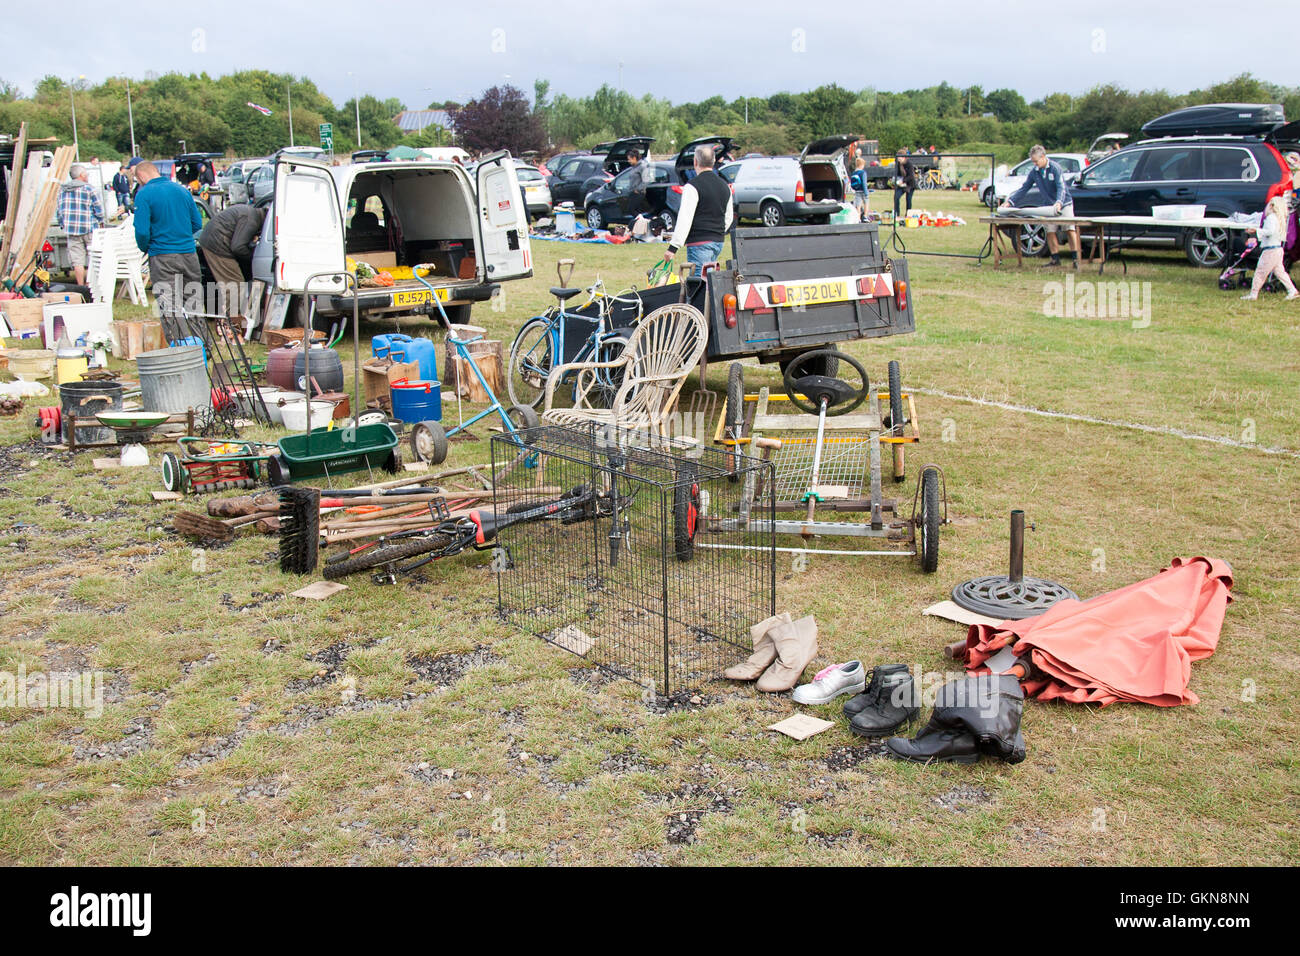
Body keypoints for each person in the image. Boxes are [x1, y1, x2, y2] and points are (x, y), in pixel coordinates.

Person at [133, 160, 203, 317]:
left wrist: (146, 247)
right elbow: (197, 223)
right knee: (193, 303)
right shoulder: (182, 190)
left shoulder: (144, 194)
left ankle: (179, 340)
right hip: (189, 254)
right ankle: (199, 339)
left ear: (141, 176)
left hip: (162, 255)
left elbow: (142, 231)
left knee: (169, 305)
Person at [999, 144, 1081, 268]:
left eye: (1036, 161)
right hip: (1048, 206)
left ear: (1043, 157)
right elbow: (1024, 188)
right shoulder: (1034, 172)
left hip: (1064, 204)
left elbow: (1061, 187)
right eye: (1033, 162)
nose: (1035, 164)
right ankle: (1055, 259)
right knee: (1050, 231)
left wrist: (1059, 202)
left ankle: (1076, 259)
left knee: (1069, 229)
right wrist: (1010, 202)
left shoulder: (1055, 168)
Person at [662, 144, 734, 276]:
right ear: (713, 162)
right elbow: (728, 217)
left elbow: (685, 218)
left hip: (699, 242)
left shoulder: (692, 186)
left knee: (699, 287)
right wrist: (717, 231)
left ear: (695, 161)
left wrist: (673, 248)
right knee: (709, 284)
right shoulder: (725, 186)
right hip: (718, 241)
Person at [198, 203, 267, 316]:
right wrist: (254, 257)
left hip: (212, 240)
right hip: (217, 245)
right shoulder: (252, 220)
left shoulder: (250, 213)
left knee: (232, 286)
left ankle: (229, 318)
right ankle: (232, 323)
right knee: (235, 285)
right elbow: (238, 247)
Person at [56, 164, 106, 287]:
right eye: (86, 174)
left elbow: (59, 211)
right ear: (82, 175)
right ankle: (92, 284)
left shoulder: (63, 190)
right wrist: (100, 220)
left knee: (77, 260)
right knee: (93, 257)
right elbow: (99, 210)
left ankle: (80, 285)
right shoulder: (89, 189)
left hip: (72, 230)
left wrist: (63, 224)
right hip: (89, 228)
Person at [1241, 196, 1298, 301]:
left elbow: (1269, 231)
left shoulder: (1271, 218)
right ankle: (1292, 290)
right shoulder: (1280, 218)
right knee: (1280, 272)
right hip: (1277, 249)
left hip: (1270, 250)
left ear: (1272, 206)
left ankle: (1253, 294)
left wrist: (1256, 231)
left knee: (1260, 272)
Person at [892, 150, 917, 218]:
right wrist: (894, 180)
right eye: (898, 158)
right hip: (901, 185)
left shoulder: (909, 164)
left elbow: (911, 176)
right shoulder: (897, 164)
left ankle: (908, 215)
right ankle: (897, 214)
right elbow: (896, 173)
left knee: (908, 199)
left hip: (910, 184)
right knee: (896, 197)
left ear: (904, 157)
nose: (898, 159)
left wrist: (903, 180)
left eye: (900, 158)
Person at [850, 157, 870, 221]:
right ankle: (865, 216)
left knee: (858, 205)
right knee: (866, 203)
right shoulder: (863, 173)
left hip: (857, 191)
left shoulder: (854, 173)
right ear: (861, 165)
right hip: (863, 191)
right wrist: (866, 192)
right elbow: (864, 183)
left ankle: (858, 217)